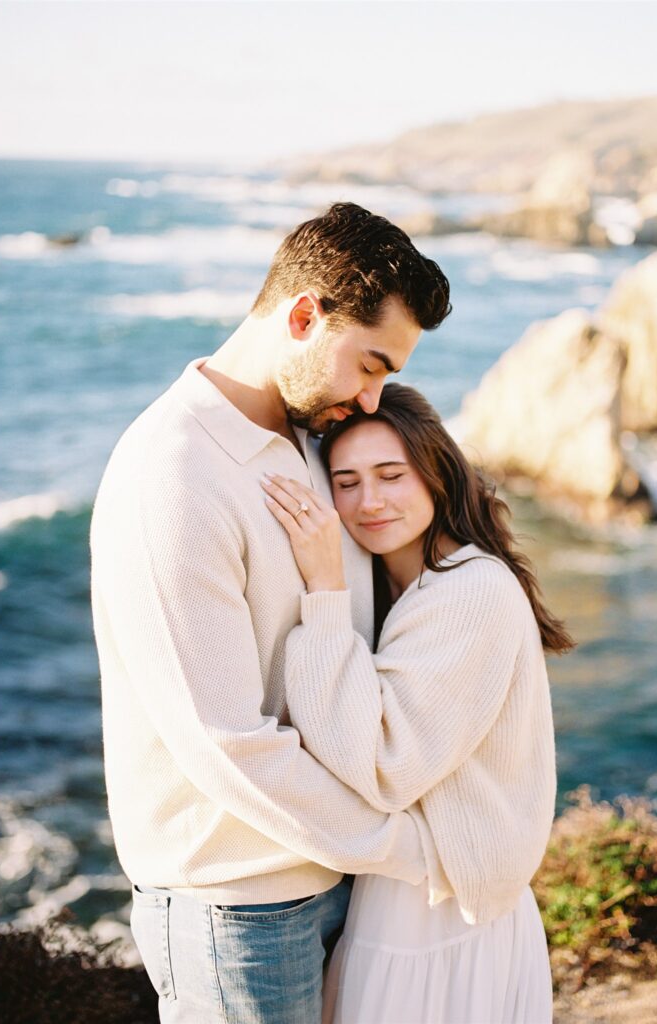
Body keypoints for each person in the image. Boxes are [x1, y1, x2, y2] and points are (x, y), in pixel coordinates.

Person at [89, 203, 452, 1024]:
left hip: (332, 873)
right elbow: (228, 743)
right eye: (368, 365)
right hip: (236, 909)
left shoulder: (315, 444)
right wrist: (406, 846)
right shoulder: (173, 477)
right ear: (302, 317)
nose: (371, 401)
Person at [261, 382, 574, 1024]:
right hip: (411, 899)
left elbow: (385, 763)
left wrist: (324, 585)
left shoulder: (468, 592)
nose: (368, 501)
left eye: (390, 474)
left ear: (435, 474)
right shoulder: (405, 591)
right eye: (344, 483)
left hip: (439, 917)